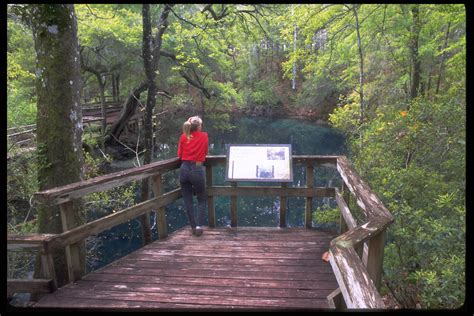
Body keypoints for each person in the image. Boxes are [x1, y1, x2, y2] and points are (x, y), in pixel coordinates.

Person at [177, 116, 208, 236]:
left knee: (187, 200)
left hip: (184, 169)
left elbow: (179, 154)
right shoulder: (204, 136)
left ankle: (193, 226)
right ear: (199, 127)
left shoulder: (184, 136)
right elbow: (205, 152)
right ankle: (199, 226)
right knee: (202, 198)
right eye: (201, 125)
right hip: (197, 169)